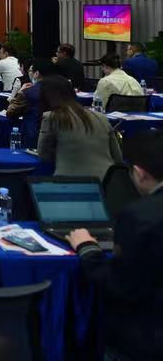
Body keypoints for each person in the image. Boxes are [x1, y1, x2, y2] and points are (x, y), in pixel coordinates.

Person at [66, 130, 163, 361]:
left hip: (142, 339)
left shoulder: (139, 216)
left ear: (139, 173)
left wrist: (88, 249)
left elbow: (121, 284)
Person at [36, 75, 121, 179]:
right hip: (108, 180)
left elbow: (43, 155)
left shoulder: (50, 117)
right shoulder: (101, 117)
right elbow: (117, 156)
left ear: (45, 98)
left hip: (70, 182)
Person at [6, 59, 58, 145]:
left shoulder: (28, 92)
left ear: (36, 73)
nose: (29, 73)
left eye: (30, 71)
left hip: (33, 136)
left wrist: (19, 93)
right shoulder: (61, 90)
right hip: (58, 135)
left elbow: (10, 113)